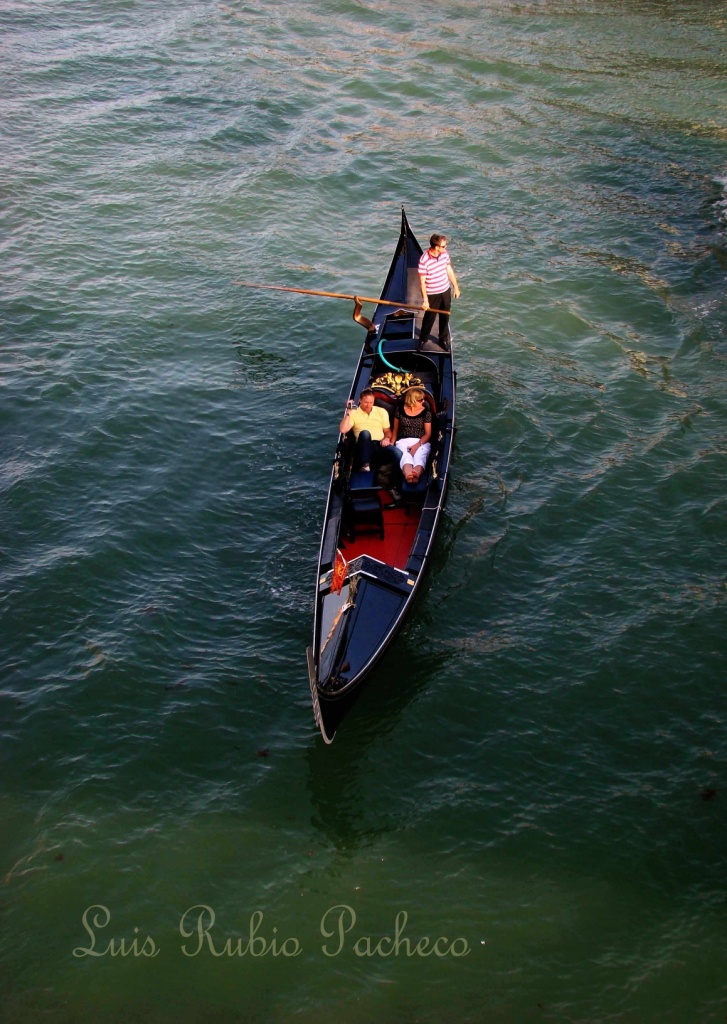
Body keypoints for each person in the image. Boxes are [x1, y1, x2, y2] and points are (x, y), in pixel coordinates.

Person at [339, 388, 400, 474]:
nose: (368, 405)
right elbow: (343, 429)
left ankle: (397, 480)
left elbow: (387, 431)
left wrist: (386, 439)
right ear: (360, 400)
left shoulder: (381, 411)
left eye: (371, 402)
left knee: (398, 453)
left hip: (379, 445)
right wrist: (348, 411)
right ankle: (365, 465)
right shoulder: (353, 413)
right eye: (366, 402)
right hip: (363, 445)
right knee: (365, 433)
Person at [418, 233, 461, 350]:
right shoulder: (424, 260)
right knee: (429, 317)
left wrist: (455, 287)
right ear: (436, 247)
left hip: (445, 290)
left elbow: (449, 270)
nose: (446, 248)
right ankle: (423, 338)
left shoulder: (444, 254)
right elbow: (422, 282)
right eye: (444, 246)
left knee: (445, 315)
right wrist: (425, 300)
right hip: (432, 293)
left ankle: (443, 339)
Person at [391, 387, 432, 485]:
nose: (423, 402)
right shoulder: (399, 410)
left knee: (420, 455)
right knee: (406, 456)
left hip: (421, 441)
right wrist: (391, 443)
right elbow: (395, 429)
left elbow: (428, 434)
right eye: (420, 400)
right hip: (403, 441)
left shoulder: (426, 413)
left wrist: (417, 445)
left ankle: (416, 474)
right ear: (412, 400)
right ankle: (408, 475)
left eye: (423, 399)